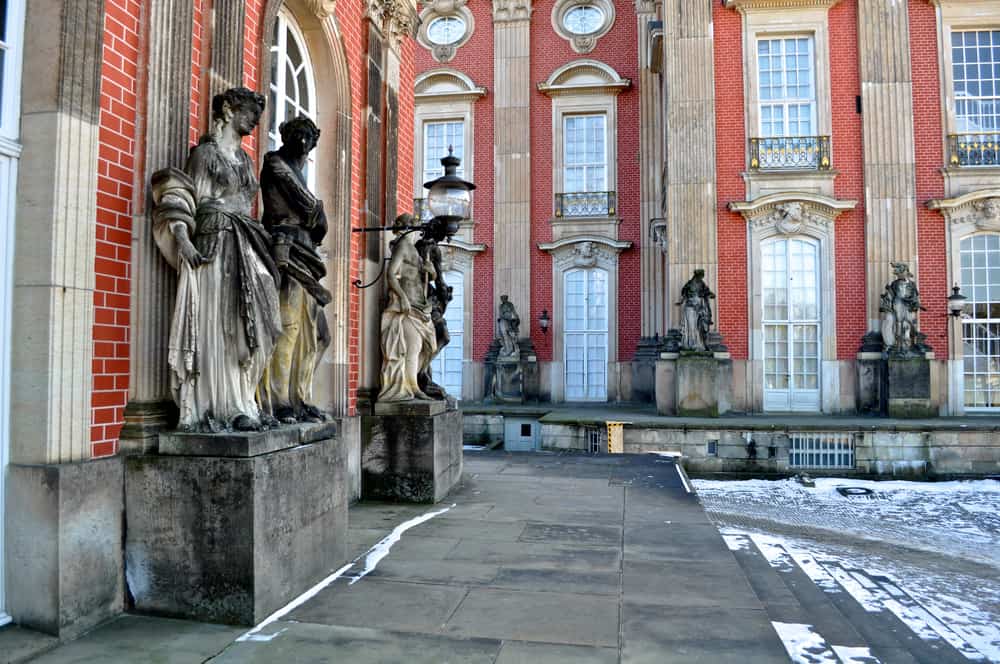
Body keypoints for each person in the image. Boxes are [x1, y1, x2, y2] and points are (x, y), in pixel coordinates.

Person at [151, 87, 282, 432]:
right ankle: (221, 406)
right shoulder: (205, 155)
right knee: (220, 321)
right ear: (227, 109)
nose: (255, 119)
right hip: (213, 241)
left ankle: (244, 399)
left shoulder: (247, 159)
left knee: (257, 316)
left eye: (257, 113)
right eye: (249, 111)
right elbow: (184, 199)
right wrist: (183, 239)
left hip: (245, 239)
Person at [258, 115, 332, 423]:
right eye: (297, 136)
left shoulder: (298, 171)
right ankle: (279, 401)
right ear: (286, 137)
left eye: (308, 137)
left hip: (307, 256)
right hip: (285, 250)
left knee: (319, 336)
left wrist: (318, 215)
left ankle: (301, 398)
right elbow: (308, 207)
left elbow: (319, 225)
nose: (303, 143)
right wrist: (317, 212)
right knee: (287, 329)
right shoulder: (275, 162)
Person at [377, 215, 438, 402]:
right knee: (413, 348)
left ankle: (411, 382)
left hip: (421, 307)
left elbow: (426, 278)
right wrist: (402, 298)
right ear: (409, 228)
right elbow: (391, 274)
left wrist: (432, 271)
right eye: (416, 227)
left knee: (431, 347)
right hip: (408, 306)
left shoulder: (415, 250)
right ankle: (412, 388)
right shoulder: (403, 246)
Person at [678, 269, 715, 352]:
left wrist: (710, 294)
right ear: (697, 275)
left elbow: (707, 292)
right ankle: (691, 344)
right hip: (690, 308)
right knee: (691, 327)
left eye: (702, 276)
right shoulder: (689, 284)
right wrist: (681, 301)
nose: (701, 278)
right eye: (701, 276)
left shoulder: (701, 284)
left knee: (701, 327)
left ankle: (701, 344)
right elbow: (684, 295)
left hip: (700, 308)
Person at [497, 295, 520, 359]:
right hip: (503, 321)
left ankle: (513, 349)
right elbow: (501, 314)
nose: (503, 300)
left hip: (510, 321)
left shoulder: (510, 304)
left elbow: (514, 311)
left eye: (504, 298)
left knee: (511, 335)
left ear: (506, 299)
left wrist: (516, 318)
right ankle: (507, 349)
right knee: (502, 335)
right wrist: (504, 318)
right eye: (502, 299)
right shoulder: (501, 306)